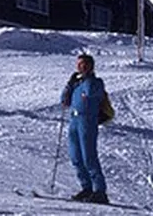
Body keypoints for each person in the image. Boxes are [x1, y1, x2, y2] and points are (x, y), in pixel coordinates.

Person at [60, 53, 109, 204]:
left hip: (87, 119)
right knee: (75, 156)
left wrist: (86, 78)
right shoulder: (77, 83)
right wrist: (69, 85)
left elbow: (90, 92)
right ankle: (86, 187)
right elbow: (64, 101)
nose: (82, 67)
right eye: (79, 64)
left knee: (89, 156)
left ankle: (99, 191)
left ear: (91, 66)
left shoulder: (95, 82)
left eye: (85, 64)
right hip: (74, 120)